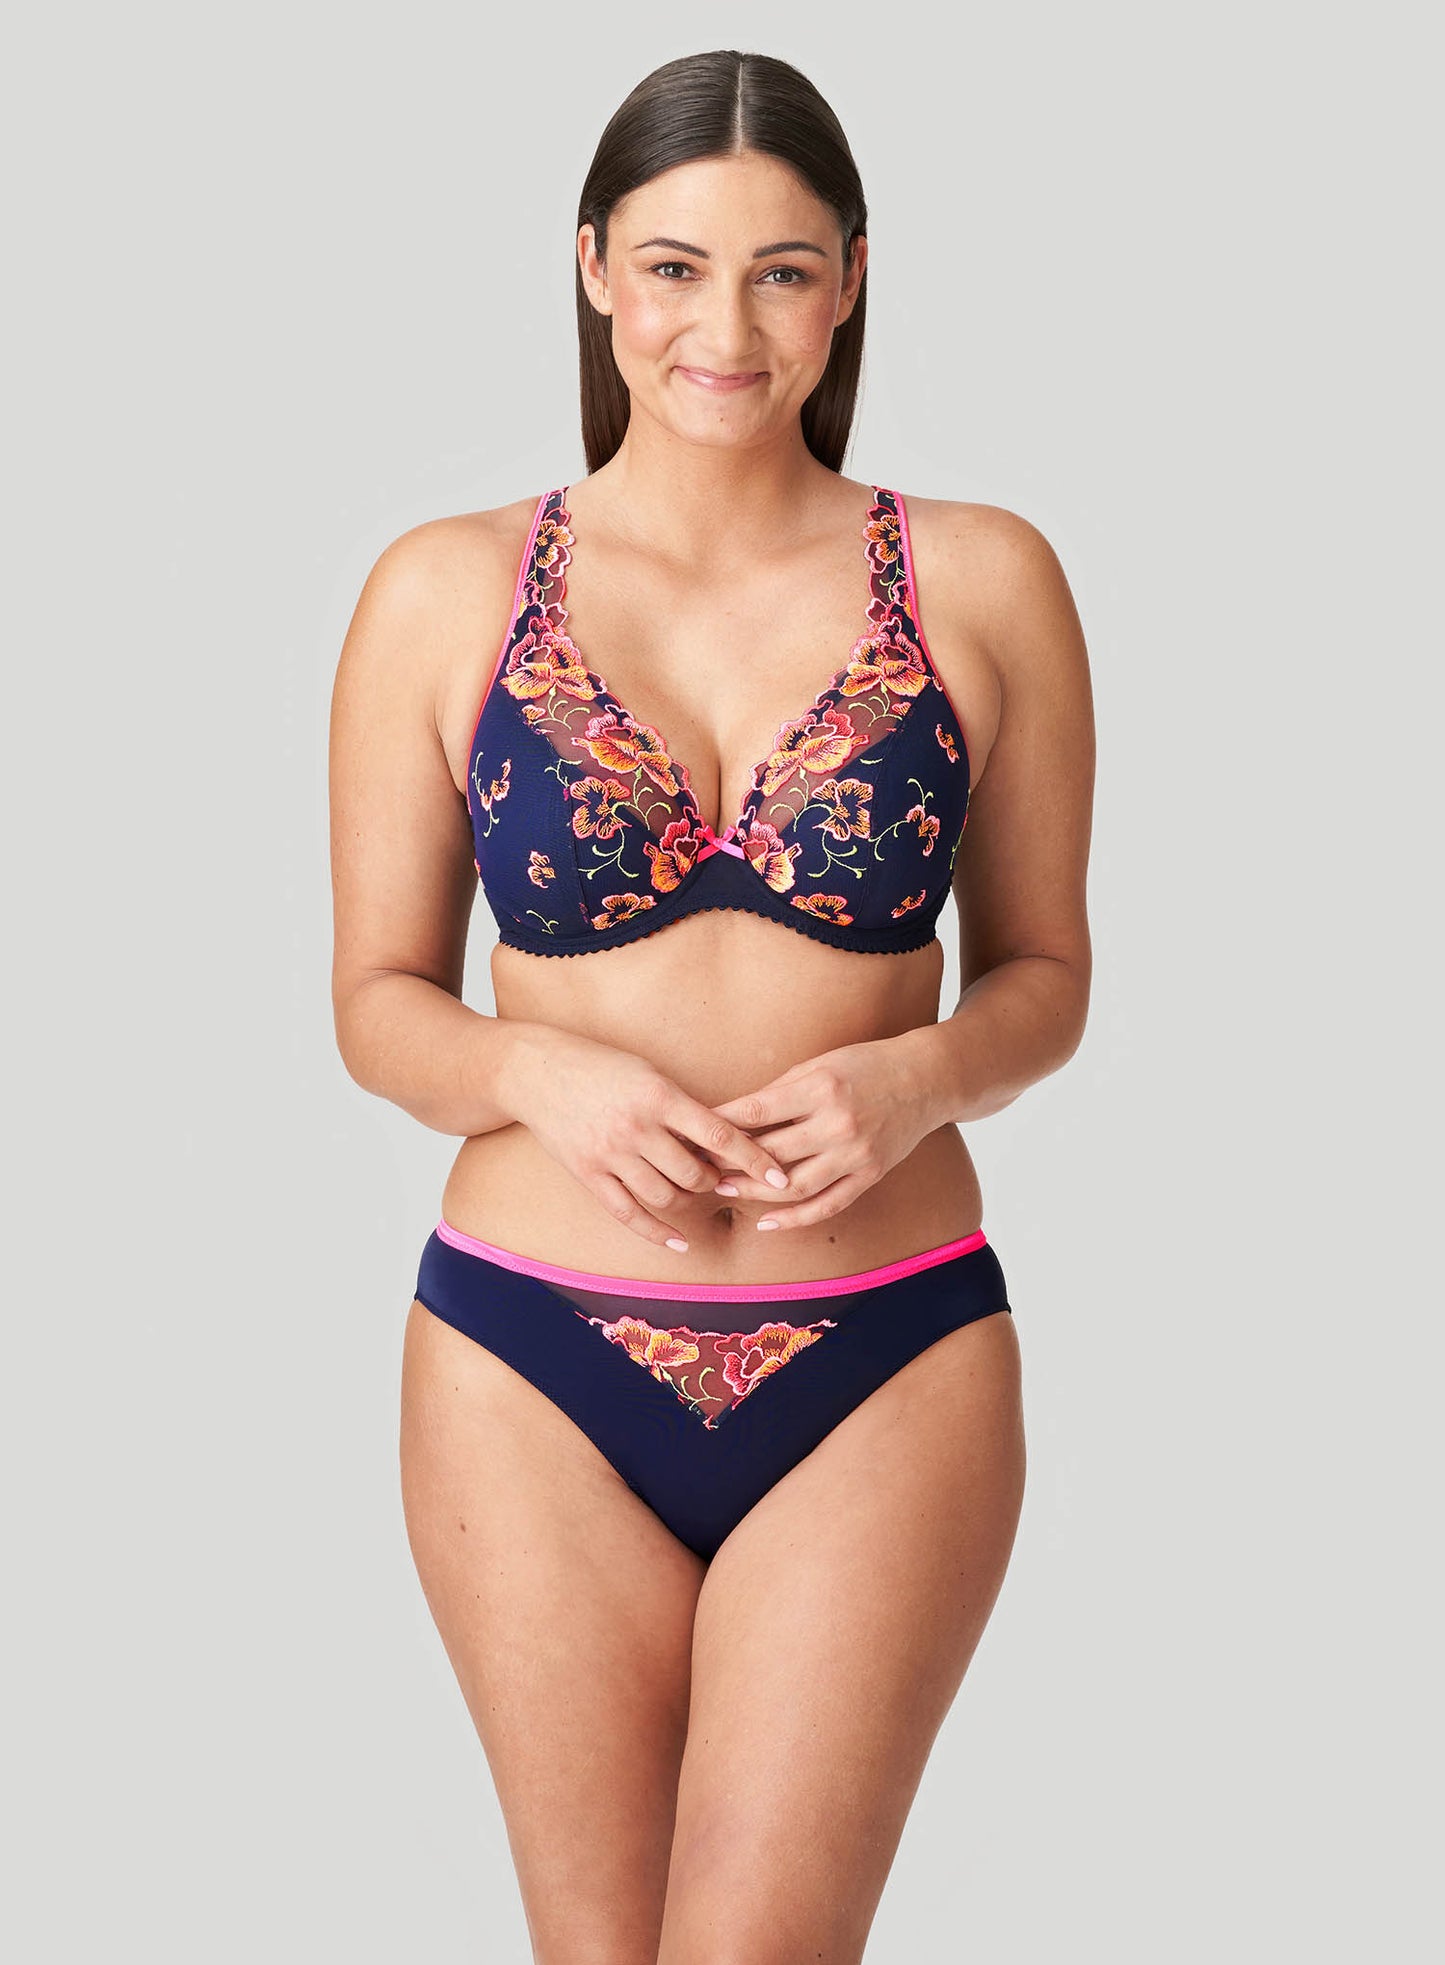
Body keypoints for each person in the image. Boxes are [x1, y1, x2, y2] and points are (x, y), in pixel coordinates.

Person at [329, 47, 1094, 1965]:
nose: (723, 329)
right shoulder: (443, 590)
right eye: (674, 267)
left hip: (886, 1351)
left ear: (850, 282)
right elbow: (374, 1002)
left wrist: (915, 1077)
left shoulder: (984, 578)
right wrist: (537, 1071)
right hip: (527, 1361)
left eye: (779, 271)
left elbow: (1047, 977)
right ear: (593, 266)